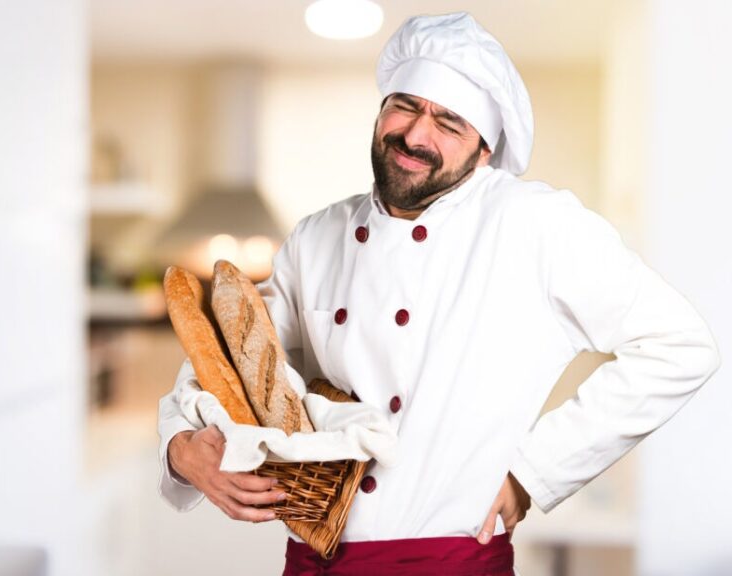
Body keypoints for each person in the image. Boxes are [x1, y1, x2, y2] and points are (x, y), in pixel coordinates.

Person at [157, 12, 721, 575]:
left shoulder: (534, 224)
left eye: (449, 122)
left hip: (447, 562)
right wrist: (181, 447)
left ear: (483, 152)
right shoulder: (317, 235)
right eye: (405, 104)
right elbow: (230, 358)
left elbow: (680, 345)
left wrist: (535, 471)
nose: (415, 134)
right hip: (312, 562)